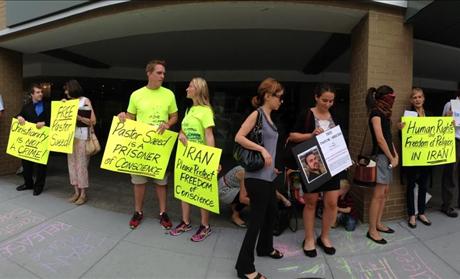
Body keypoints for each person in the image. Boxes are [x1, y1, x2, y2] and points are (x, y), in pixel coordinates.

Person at [118, 60, 178, 230]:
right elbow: (130, 117)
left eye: (164, 73)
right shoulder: (136, 94)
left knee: (161, 181)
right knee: (138, 181)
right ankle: (138, 212)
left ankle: (163, 213)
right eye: (159, 73)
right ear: (149, 73)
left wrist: (167, 124)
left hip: (160, 146)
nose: (163, 76)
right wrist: (123, 116)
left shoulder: (169, 94)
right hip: (141, 146)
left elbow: (174, 116)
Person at [235, 78, 284, 279]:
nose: (281, 101)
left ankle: (265, 248)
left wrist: (273, 167)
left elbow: (270, 148)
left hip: (268, 176)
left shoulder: (270, 118)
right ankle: (244, 268)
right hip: (256, 178)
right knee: (256, 221)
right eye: (279, 97)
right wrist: (262, 150)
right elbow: (239, 137)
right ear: (267, 96)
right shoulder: (257, 114)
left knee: (272, 212)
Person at [288, 83, 340, 257]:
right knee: (311, 203)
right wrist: (311, 135)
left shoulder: (335, 114)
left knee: (332, 203)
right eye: (324, 100)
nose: (328, 104)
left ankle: (325, 237)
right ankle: (309, 238)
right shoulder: (307, 114)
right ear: (316, 97)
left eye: (331, 101)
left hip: (333, 163)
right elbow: (292, 136)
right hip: (311, 164)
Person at [169, 77, 216, 242]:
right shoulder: (190, 110)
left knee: (202, 192)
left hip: (200, 158)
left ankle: (205, 226)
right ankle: (185, 222)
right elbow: (183, 131)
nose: (187, 89)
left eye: (190, 86)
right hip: (186, 157)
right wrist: (181, 135)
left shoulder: (206, 111)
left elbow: (209, 136)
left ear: (197, 90)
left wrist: (212, 161)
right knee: (185, 190)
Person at [366, 85, 398, 245]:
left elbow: (388, 137)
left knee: (384, 192)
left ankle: (378, 223)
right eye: (391, 97)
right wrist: (390, 157)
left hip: (386, 157)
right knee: (378, 195)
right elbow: (379, 139)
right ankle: (372, 230)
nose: (393, 100)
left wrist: (395, 155)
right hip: (380, 157)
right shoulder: (376, 113)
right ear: (383, 98)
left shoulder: (385, 114)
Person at [399, 87, 433, 227]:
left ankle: (422, 213)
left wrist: (449, 124)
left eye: (420, 97)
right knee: (411, 185)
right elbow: (403, 138)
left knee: (423, 185)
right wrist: (400, 130)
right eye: (414, 97)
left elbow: (437, 134)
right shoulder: (409, 116)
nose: (417, 99)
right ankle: (412, 215)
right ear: (411, 100)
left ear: (423, 98)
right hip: (412, 156)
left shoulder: (430, 115)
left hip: (426, 156)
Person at [218, 165, 292, 228]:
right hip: (225, 191)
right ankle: (235, 215)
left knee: (260, 190)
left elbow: (268, 187)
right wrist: (261, 206)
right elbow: (243, 199)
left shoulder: (257, 171)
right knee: (253, 195)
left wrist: (283, 199)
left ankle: (235, 205)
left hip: (235, 186)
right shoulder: (243, 172)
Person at [64, 80, 96, 205]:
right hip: (69, 138)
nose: (65, 92)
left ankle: (83, 194)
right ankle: (76, 192)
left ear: (72, 89)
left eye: (67, 89)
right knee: (71, 165)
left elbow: (93, 121)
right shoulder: (67, 102)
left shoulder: (85, 101)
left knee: (81, 165)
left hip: (82, 136)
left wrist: (78, 117)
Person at [16, 84, 50, 196]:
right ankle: (28, 183)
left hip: (43, 140)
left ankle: (39, 186)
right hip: (29, 142)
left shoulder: (48, 106)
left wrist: (45, 123)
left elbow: (55, 120)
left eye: (41, 92)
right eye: (38, 92)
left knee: (41, 165)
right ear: (32, 94)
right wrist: (19, 117)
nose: (41, 94)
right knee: (26, 163)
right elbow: (19, 115)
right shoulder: (26, 107)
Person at [440, 90, 460, 218]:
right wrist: (448, 118)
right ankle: (447, 206)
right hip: (453, 141)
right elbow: (441, 124)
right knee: (450, 174)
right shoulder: (450, 104)